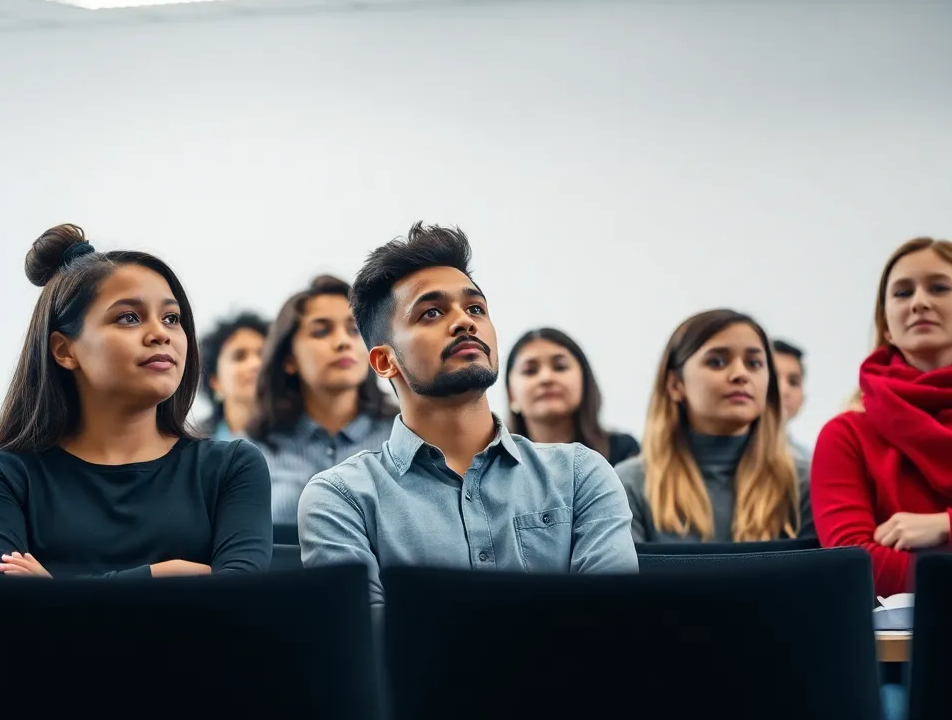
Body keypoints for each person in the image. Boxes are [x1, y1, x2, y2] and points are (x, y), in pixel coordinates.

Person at [298, 223, 637, 605]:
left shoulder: (580, 475)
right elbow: (369, 645)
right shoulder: (343, 498)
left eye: (475, 307)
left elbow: (613, 626)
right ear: (383, 361)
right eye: (431, 313)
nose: (464, 321)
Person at [0, 224, 271, 578]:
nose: (160, 334)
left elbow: (242, 600)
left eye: (171, 318)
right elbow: (9, 614)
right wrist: (162, 575)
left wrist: (56, 592)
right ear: (64, 350)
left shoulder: (233, 467)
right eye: (129, 317)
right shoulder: (0, 475)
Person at [812, 237, 952, 597]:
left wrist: (947, 526)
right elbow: (854, 563)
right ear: (885, 323)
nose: (920, 303)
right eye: (902, 293)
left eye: (939, 287)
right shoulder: (845, 434)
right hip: (898, 650)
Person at [614, 310, 812, 544]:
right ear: (676, 384)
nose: (741, 374)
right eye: (717, 362)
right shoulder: (629, 485)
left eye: (754, 363)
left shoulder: (803, 483)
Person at [249, 275, 396, 527]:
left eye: (354, 330)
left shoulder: (403, 436)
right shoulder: (255, 449)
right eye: (322, 331)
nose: (342, 342)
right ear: (288, 360)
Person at [504, 328, 639, 466]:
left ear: (584, 381)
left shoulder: (624, 453)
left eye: (560, 367)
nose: (546, 378)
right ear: (511, 395)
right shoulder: (495, 464)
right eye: (530, 371)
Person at [198, 312, 268, 440]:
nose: (256, 364)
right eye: (239, 356)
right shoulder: (190, 444)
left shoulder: (303, 435)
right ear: (215, 381)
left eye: (262, 354)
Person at [771, 339, 812, 460]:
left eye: (793, 382)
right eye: (773, 378)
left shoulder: (809, 461)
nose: (783, 390)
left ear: (803, 399)